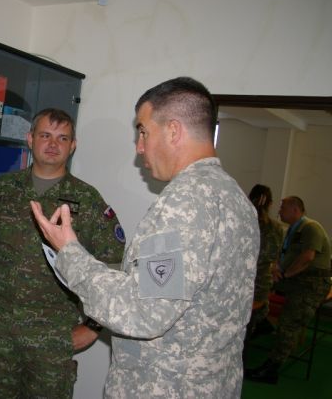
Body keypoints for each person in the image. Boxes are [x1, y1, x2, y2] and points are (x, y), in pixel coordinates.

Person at [31, 77, 260, 398]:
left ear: (173, 130)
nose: (139, 147)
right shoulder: (235, 197)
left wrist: (69, 252)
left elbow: (142, 313)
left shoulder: (184, 203)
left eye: (143, 131)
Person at [0, 108, 126, 398]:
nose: (53, 144)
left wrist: (92, 327)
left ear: (73, 145)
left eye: (62, 138)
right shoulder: (2, 190)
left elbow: (113, 266)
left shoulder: (87, 200)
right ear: (30, 139)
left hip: (51, 340)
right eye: (45, 136)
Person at [245, 196, 331, 384]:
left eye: (283, 207)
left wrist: (286, 274)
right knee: (261, 289)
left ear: (295, 210)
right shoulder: (294, 230)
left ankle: (271, 369)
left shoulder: (311, 228)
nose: (279, 211)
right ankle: (263, 321)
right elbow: (289, 256)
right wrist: (278, 271)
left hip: (310, 284)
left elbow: (308, 257)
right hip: (297, 280)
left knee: (288, 324)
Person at [244, 185, 284, 346]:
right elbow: (275, 256)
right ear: (270, 204)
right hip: (261, 283)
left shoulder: (242, 222)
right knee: (253, 318)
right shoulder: (276, 228)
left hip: (241, 281)